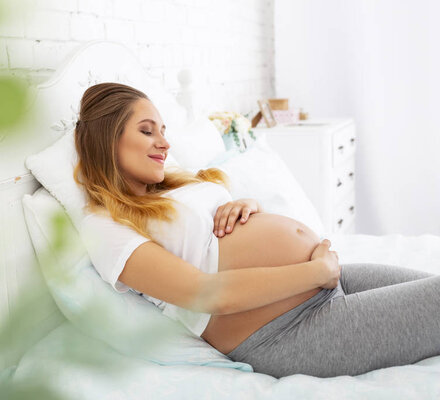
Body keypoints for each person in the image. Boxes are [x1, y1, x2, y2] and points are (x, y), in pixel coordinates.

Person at [74, 82, 440, 378]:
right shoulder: (105, 226)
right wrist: (314, 271)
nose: (165, 143)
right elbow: (204, 293)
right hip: (288, 330)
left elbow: (218, 240)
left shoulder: (172, 188)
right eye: (146, 131)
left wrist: (248, 206)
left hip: (322, 284)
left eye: (164, 130)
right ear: (108, 140)